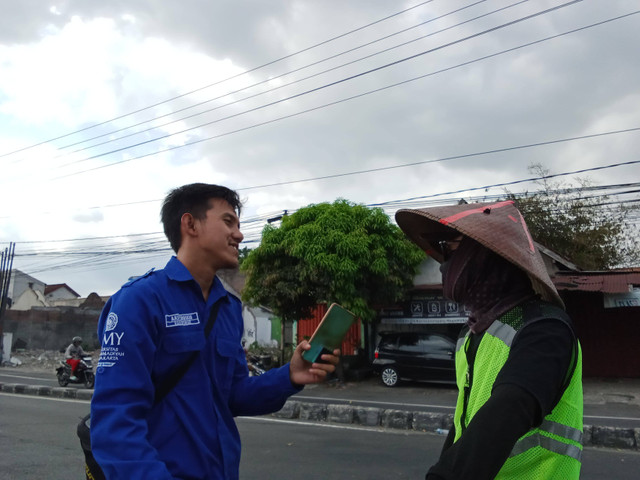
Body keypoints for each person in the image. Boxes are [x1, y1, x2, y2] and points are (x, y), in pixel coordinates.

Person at [90, 183, 340, 480]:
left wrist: (289, 376)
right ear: (190, 224)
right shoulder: (140, 300)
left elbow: (232, 395)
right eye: (227, 222)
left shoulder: (228, 306)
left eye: (238, 224)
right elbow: (116, 420)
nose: (239, 234)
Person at [395, 200, 583, 480]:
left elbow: (509, 409)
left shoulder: (545, 329)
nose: (444, 265)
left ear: (483, 257)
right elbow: (465, 427)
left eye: (451, 249)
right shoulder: (471, 335)